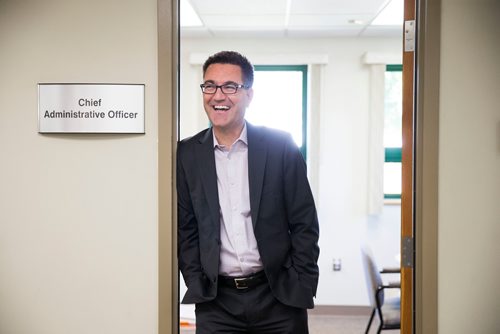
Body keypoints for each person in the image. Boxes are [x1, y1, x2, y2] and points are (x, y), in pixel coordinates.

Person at [177, 50, 320, 333]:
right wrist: (195, 280)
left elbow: (304, 223)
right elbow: (186, 228)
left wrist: (302, 281)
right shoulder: (187, 154)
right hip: (218, 302)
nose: (218, 96)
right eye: (210, 86)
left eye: (230, 86)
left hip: (278, 297)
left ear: (249, 95)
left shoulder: (280, 147)